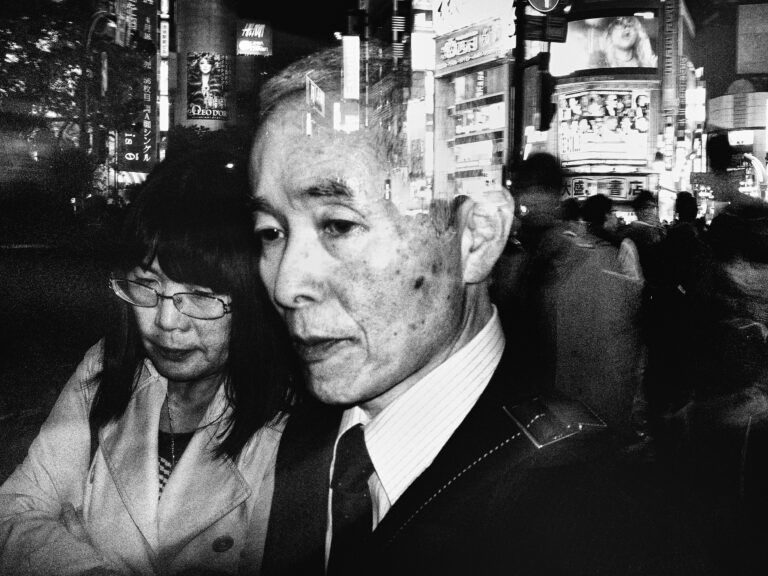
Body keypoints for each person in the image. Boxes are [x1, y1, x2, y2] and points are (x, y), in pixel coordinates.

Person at [249, 46, 714, 576]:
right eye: (270, 232)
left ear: (475, 236)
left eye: (338, 224)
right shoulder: (273, 444)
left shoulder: (606, 521)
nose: (287, 283)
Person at [0, 149, 298, 575]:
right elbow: (15, 513)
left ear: (252, 299)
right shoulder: (108, 368)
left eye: (200, 295)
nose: (166, 321)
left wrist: (66, 543)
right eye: (146, 285)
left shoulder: (291, 420)